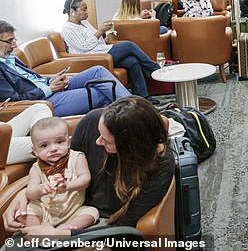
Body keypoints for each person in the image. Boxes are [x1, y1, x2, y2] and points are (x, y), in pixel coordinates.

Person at [3, 96, 176, 236]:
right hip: (65, 209)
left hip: (102, 229)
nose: (97, 141)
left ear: (129, 147)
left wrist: (60, 235)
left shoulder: (161, 164)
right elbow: (63, 167)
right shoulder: (91, 122)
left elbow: (124, 227)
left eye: (106, 141)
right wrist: (24, 194)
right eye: (100, 133)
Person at [0, 21, 131, 117]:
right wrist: (49, 89)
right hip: (43, 101)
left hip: (50, 87)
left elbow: (33, 78)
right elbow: (14, 100)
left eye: (14, 40)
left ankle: (134, 108)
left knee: (98, 71)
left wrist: (52, 80)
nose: (15, 45)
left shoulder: (10, 57)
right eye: (10, 41)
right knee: (103, 91)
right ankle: (132, 116)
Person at [60, 0, 160, 103]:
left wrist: (104, 34)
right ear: (72, 11)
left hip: (101, 50)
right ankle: (155, 68)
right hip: (92, 57)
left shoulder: (84, 23)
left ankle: (142, 96)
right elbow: (84, 46)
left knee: (132, 62)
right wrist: (100, 31)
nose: (87, 12)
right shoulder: (68, 29)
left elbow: (95, 39)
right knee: (129, 46)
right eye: (84, 9)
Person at [21, 117, 99, 230]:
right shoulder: (36, 168)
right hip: (45, 209)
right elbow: (30, 192)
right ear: (35, 151)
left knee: (91, 213)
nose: (53, 148)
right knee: (27, 212)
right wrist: (40, 189)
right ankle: (37, 231)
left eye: (59, 142)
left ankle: (63, 229)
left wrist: (68, 186)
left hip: (73, 210)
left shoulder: (77, 157)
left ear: (69, 142)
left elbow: (85, 179)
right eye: (44, 145)